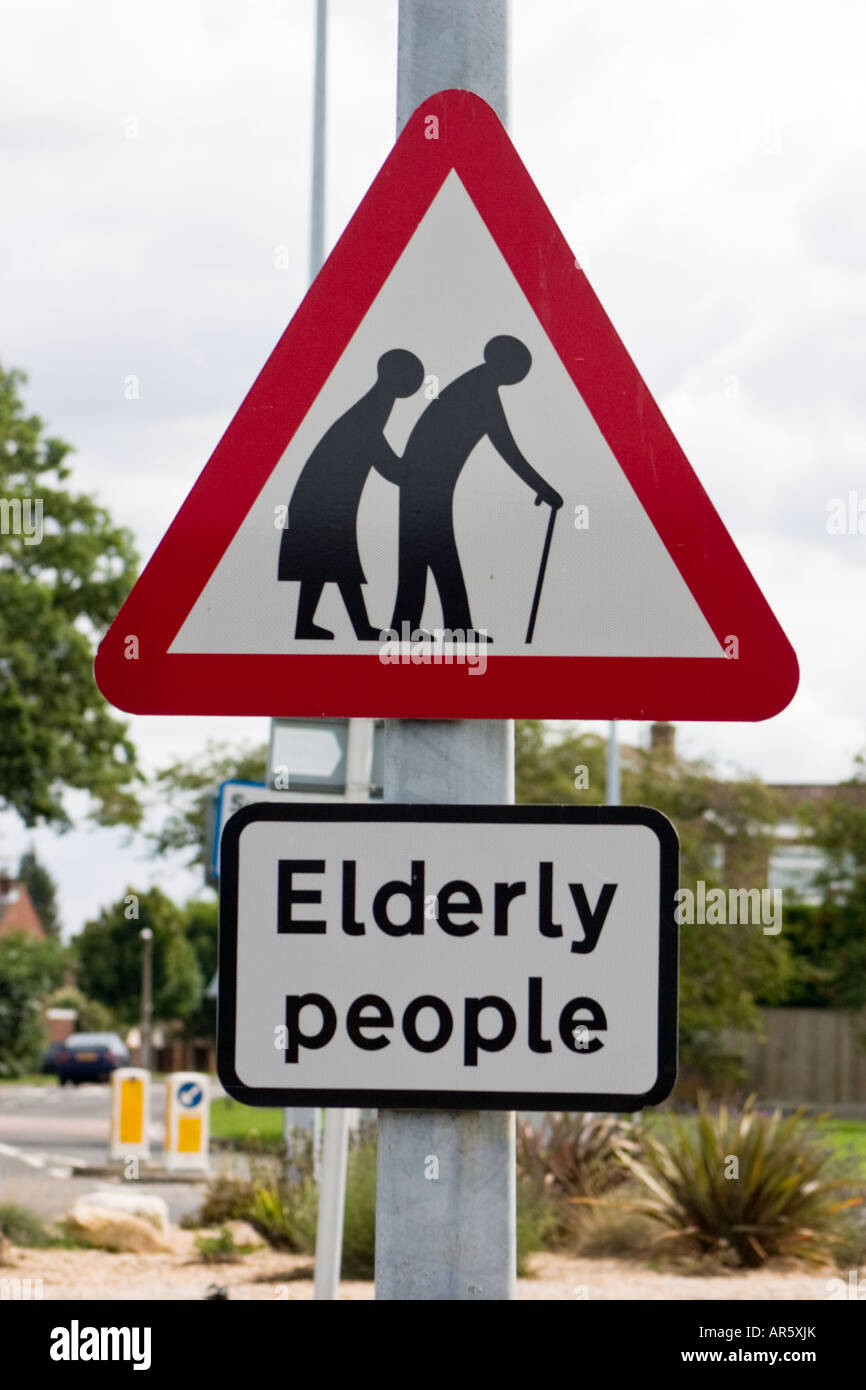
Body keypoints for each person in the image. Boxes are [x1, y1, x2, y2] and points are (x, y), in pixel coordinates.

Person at [390, 335, 563, 636]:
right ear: (505, 363)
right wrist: (543, 488)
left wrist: (542, 488)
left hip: (425, 485)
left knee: (424, 556)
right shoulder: (481, 391)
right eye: (519, 366)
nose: (521, 373)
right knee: (433, 555)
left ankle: (416, 626)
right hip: (426, 486)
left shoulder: (474, 384)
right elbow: (508, 449)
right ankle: (443, 627)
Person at [278, 348, 424, 639]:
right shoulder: (371, 410)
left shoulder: (373, 406)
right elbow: (383, 458)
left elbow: (376, 448)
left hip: (327, 499)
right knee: (334, 559)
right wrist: (414, 469)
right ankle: (354, 627)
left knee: (323, 561)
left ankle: (313, 625)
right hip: (327, 501)